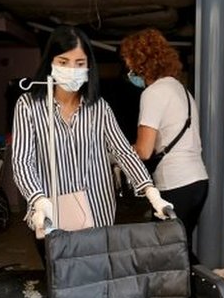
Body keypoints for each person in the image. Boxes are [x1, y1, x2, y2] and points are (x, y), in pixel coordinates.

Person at [11, 25, 172, 248]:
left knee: (97, 278)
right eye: (63, 62)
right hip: (50, 214)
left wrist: (150, 191)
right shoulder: (29, 106)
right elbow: (22, 161)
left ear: (89, 67)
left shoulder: (99, 108)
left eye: (79, 64)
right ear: (50, 63)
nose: (71, 69)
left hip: (98, 212)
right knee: (62, 280)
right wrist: (38, 199)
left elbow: (124, 152)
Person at [119, 28, 209, 264]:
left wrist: (116, 154)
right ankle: (203, 294)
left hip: (175, 184)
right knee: (180, 248)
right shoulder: (181, 90)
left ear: (141, 61)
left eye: (129, 63)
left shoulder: (154, 93)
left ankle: (195, 296)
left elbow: (145, 150)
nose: (128, 70)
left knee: (165, 254)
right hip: (198, 181)